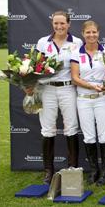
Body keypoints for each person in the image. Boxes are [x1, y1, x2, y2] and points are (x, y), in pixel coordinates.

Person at [32, 10, 83, 185]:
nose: (59, 26)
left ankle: (72, 170)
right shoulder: (42, 42)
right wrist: (30, 86)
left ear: (69, 24)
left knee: (71, 128)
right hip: (47, 90)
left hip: (68, 89)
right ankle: (48, 171)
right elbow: (34, 67)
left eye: (63, 23)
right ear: (52, 24)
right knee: (47, 130)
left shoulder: (77, 42)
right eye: (56, 23)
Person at [70, 20, 105, 186]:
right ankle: (94, 170)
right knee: (88, 136)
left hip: (102, 99)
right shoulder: (76, 53)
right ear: (83, 34)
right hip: (83, 99)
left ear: (98, 33)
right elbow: (74, 78)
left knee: (104, 135)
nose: (91, 35)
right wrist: (90, 86)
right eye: (88, 32)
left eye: (94, 32)